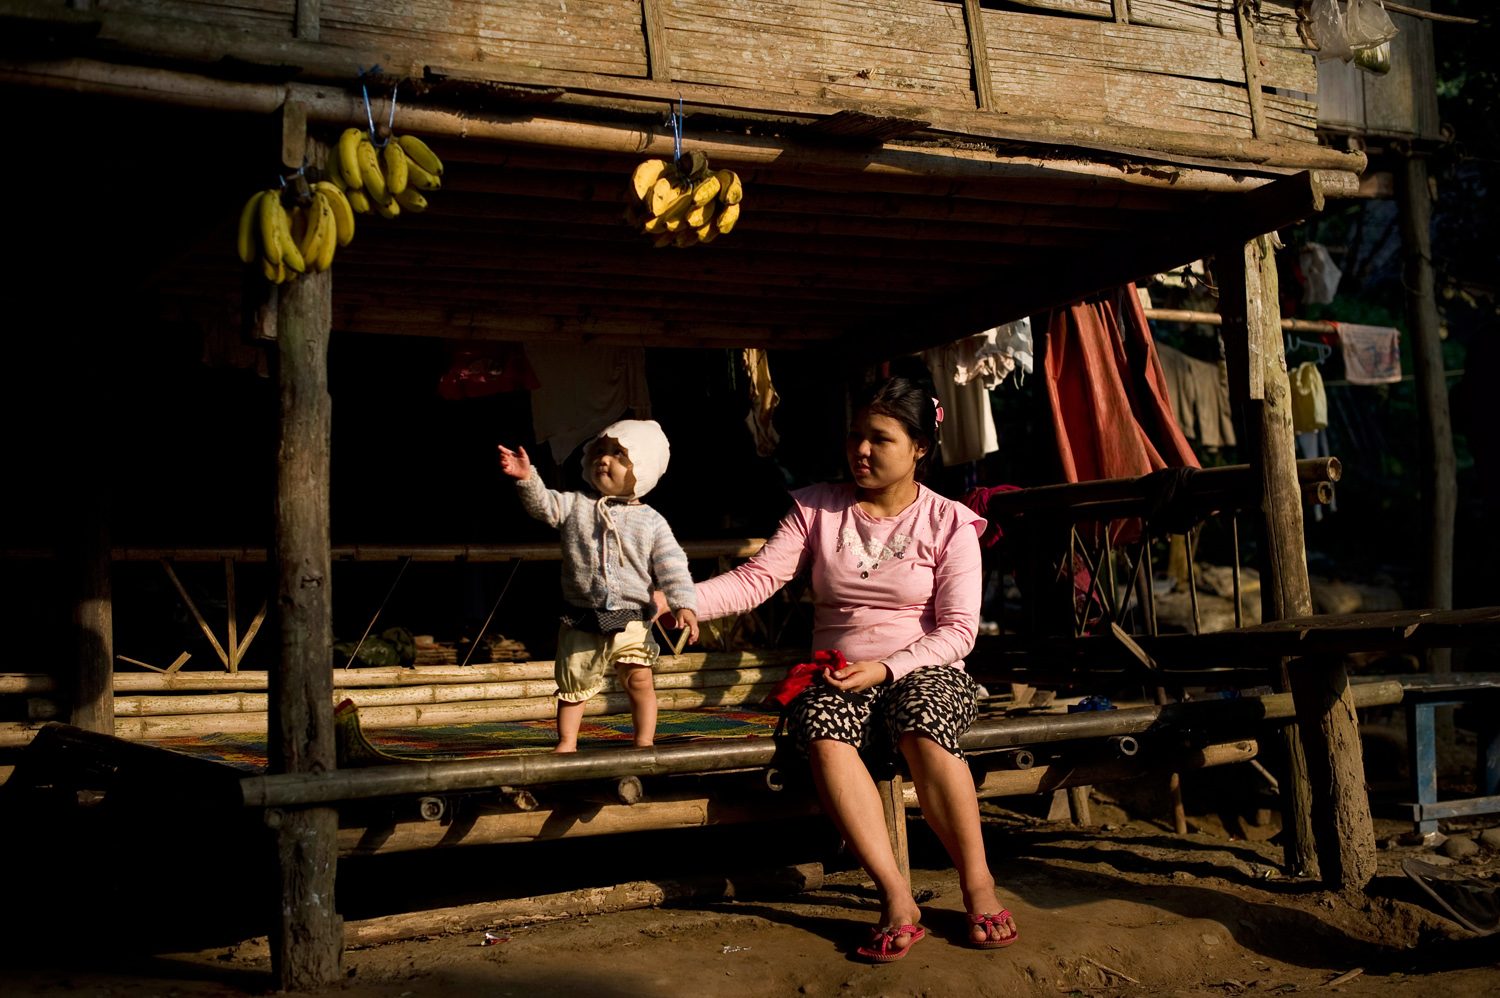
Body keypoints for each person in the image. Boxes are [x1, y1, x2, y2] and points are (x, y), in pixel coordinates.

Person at [669, 377, 1018, 962]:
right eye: (855, 436)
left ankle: (978, 884)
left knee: (922, 723)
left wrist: (885, 669)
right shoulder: (815, 508)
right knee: (824, 735)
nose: (860, 450)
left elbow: (957, 632)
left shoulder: (951, 523)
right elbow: (758, 578)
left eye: (879, 439)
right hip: (835, 670)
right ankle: (896, 898)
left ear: (919, 449)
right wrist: (686, 600)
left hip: (922, 667)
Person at [498, 419, 699, 752]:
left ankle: (644, 741)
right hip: (582, 617)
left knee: (640, 679)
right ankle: (567, 742)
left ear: (643, 469)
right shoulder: (577, 506)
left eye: (619, 454)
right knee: (574, 683)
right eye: (600, 451)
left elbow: (672, 564)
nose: (604, 459)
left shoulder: (651, 520)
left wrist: (683, 604)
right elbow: (544, 505)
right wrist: (527, 479)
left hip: (632, 618)